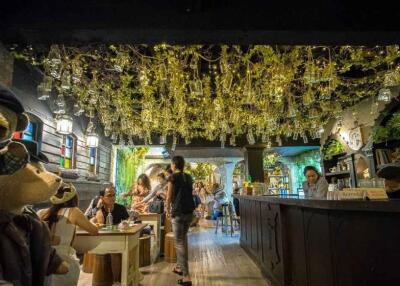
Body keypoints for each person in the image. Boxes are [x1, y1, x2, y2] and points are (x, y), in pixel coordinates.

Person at [38, 183, 99, 286]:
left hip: (42, 260)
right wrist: (93, 222)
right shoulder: (73, 211)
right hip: (63, 260)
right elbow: (94, 231)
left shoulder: (42, 213)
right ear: (74, 198)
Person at [166, 156, 195, 286]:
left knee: (179, 242)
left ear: (174, 165)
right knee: (182, 240)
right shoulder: (188, 177)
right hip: (189, 212)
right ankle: (179, 266)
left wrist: (167, 209)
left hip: (178, 212)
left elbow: (168, 197)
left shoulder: (172, 177)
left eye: (171, 164)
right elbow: (189, 193)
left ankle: (186, 276)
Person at [91, 185, 129, 284]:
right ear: (102, 198)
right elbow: (94, 222)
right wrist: (98, 208)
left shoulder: (120, 208)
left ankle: (117, 281)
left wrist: (125, 223)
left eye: (114, 195)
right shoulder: (97, 209)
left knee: (115, 251)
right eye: (109, 195)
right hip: (99, 239)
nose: (112, 197)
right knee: (111, 251)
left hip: (116, 239)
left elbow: (128, 221)